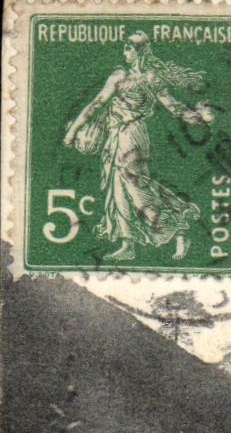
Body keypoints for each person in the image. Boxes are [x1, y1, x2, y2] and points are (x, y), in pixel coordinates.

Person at [62, 31, 218, 261]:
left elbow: (173, 107)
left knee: (136, 187)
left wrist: (198, 118)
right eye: (125, 48)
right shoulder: (124, 75)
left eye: (130, 49)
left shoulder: (148, 78)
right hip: (117, 135)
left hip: (132, 135)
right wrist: (73, 132)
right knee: (119, 189)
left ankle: (178, 228)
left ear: (141, 52)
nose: (125, 53)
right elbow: (95, 105)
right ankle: (128, 244)